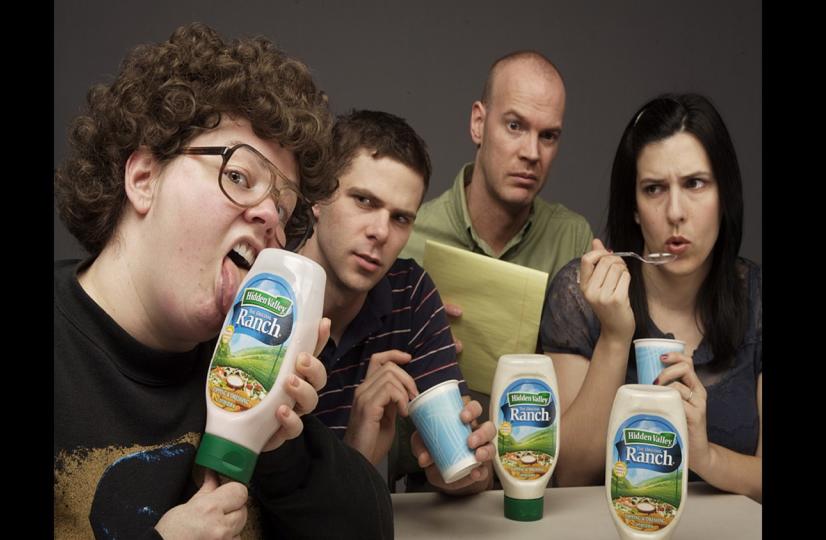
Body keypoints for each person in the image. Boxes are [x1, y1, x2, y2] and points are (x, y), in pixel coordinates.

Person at [54, 23, 393, 539]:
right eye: (239, 176)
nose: (269, 219)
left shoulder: (243, 362)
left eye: (284, 211)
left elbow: (370, 529)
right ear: (144, 178)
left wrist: (280, 448)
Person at [540, 93, 762, 502]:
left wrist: (705, 457)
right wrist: (614, 334)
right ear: (636, 209)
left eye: (695, 184)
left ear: (724, 196)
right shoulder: (580, 293)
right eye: (654, 189)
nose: (675, 212)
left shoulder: (758, 301)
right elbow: (569, 474)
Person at [299, 109, 495, 495]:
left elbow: (475, 478)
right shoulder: (264, 289)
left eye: (401, 218)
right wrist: (358, 448)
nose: (380, 232)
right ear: (319, 195)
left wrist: (457, 471)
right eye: (364, 201)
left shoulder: (411, 294)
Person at [399, 50, 593, 408]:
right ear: (478, 123)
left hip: (530, 458)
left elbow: (579, 403)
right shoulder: (407, 236)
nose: (532, 153)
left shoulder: (572, 239)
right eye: (515, 126)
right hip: (425, 459)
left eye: (548, 135)